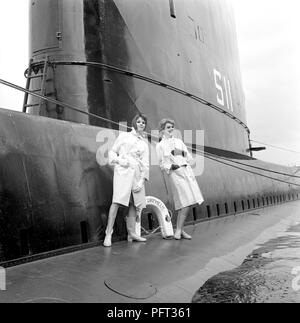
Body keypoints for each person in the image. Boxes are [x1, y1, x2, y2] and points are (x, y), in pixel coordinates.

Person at [103, 114, 149, 247]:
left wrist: (142, 180)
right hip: (123, 171)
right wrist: (119, 160)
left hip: (137, 173)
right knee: (117, 201)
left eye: (143, 122)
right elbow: (112, 151)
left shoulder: (143, 143)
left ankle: (132, 233)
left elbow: (145, 163)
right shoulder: (124, 136)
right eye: (139, 121)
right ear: (134, 123)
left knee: (134, 203)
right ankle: (108, 233)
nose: (141, 124)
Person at [156, 118, 204, 240]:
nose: (171, 129)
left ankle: (180, 230)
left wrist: (193, 160)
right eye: (168, 127)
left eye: (172, 126)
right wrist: (171, 166)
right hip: (175, 174)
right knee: (185, 202)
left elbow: (188, 157)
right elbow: (161, 164)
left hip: (186, 172)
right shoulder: (160, 145)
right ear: (162, 130)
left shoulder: (179, 142)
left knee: (186, 202)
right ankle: (178, 230)